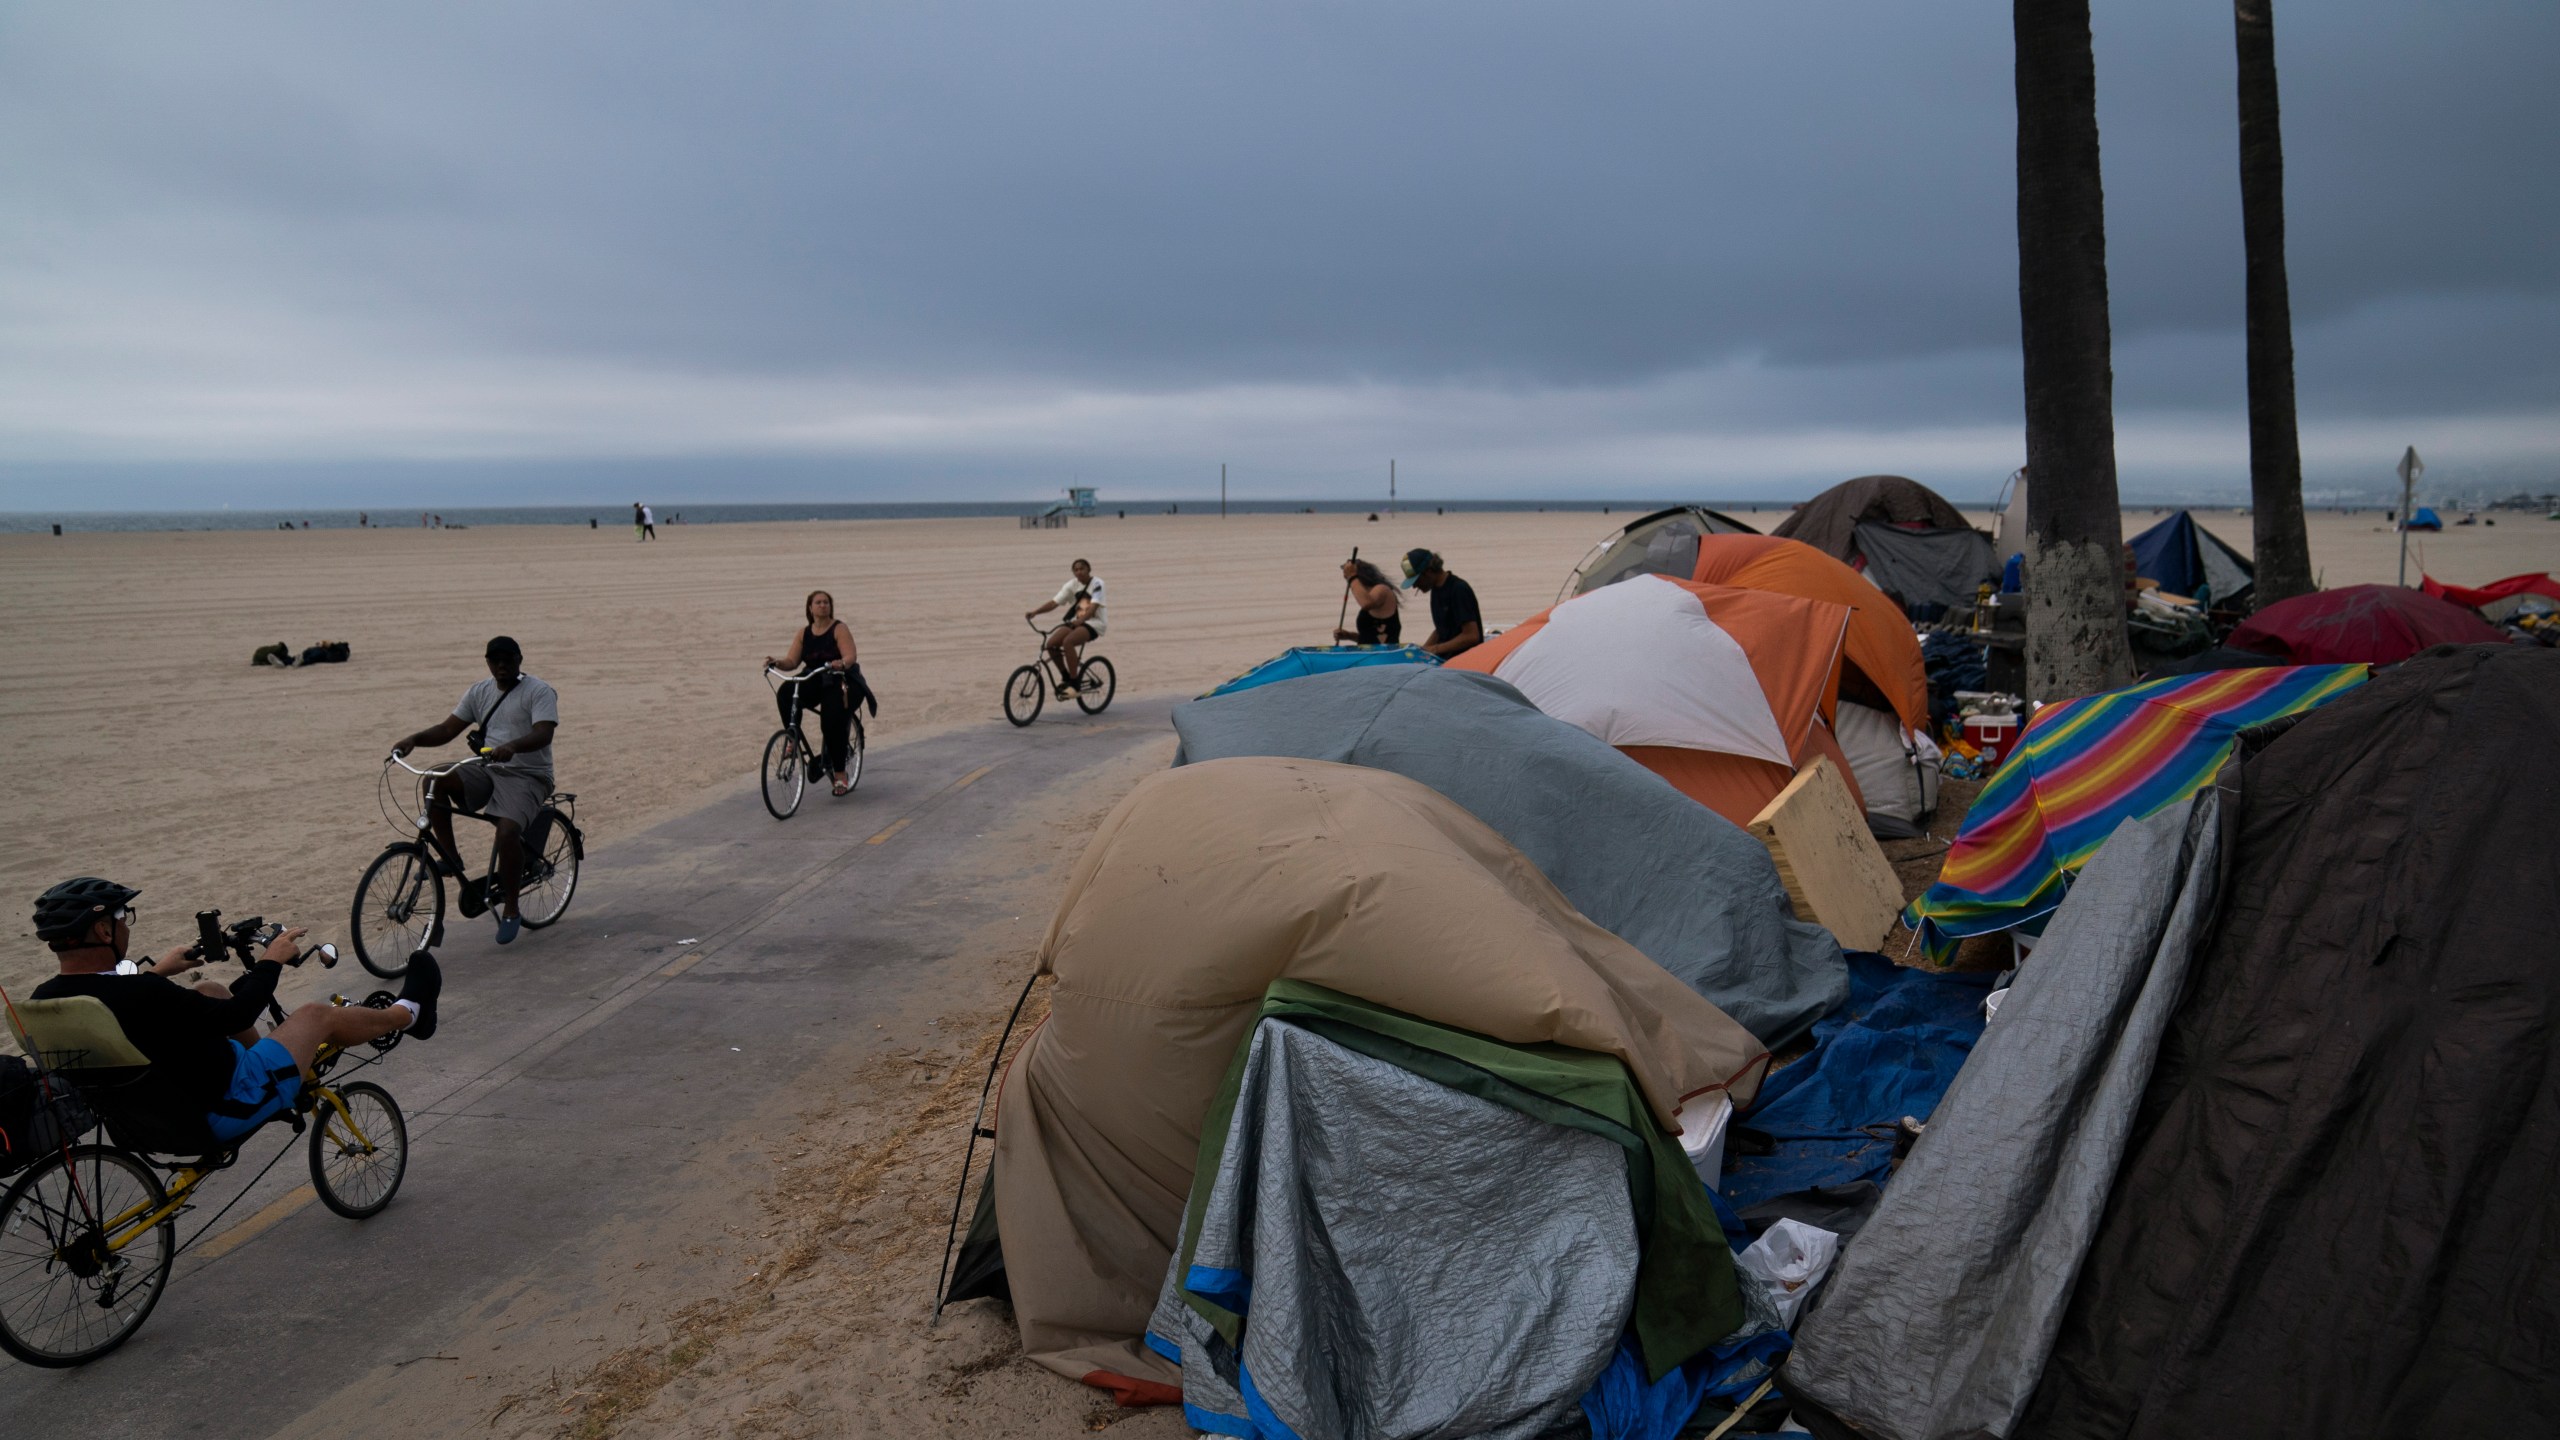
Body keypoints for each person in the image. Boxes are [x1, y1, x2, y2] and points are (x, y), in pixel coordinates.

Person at [28, 878, 440, 1151]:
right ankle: (410, 1014)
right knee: (317, 1015)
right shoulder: (142, 991)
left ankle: (278, 1075)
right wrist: (272, 960)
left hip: (136, 1125)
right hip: (212, 1116)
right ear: (103, 932)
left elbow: (120, 1004)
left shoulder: (49, 1000)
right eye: (121, 918)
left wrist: (160, 971)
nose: (125, 926)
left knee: (208, 990)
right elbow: (240, 1012)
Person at [390, 636, 559, 945]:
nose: (502, 665)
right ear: (488, 663)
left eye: (508, 659)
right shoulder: (479, 691)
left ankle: (510, 908)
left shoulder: (539, 691)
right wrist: (413, 739)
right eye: (495, 660)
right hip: (489, 769)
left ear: (520, 659)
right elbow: (447, 729)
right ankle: (452, 858)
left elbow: (543, 733)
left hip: (528, 775)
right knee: (434, 779)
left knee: (507, 831)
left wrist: (512, 746)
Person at [766, 590, 878, 796]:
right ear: (810, 608)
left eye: (826, 602)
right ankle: (793, 737)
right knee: (786, 693)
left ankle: (840, 775)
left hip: (842, 681)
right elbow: (792, 662)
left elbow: (850, 656)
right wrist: (777, 663)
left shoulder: (839, 628)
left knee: (830, 720)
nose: (823, 605)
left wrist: (841, 663)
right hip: (815, 677)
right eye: (818, 602)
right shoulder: (804, 633)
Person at [1026, 558, 1106, 694]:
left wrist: (1081, 621)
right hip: (1075, 622)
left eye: (1082, 569)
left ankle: (1074, 684)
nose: (1079, 572)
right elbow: (1053, 603)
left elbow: (1093, 608)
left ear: (1088, 570)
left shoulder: (1098, 583)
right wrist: (1035, 612)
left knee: (1068, 642)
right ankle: (1066, 676)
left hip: (1094, 624)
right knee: (1051, 644)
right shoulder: (1071, 585)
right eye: (1076, 570)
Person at [1402, 548, 1483, 659]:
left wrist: (1435, 649)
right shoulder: (1436, 590)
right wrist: (1422, 651)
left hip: (1467, 661)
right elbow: (1442, 630)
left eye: (1416, 581)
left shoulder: (1458, 589)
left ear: (1429, 571)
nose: (1415, 586)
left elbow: (1471, 635)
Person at [1333, 557, 1401, 645]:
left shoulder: (1381, 590)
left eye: (1347, 578)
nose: (1349, 583)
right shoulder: (1370, 596)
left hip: (1385, 655)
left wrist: (1352, 577)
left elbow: (1366, 603)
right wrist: (1349, 635)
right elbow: (1370, 638)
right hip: (1371, 653)